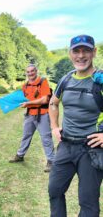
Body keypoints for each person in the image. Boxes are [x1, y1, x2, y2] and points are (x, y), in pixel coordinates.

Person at [48, 35, 103, 216]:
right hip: (66, 145)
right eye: (76, 51)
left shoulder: (101, 80)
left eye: (86, 50)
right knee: (55, 190)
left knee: (88, 202)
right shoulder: (65, 80)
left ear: (94, 52)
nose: (81, 55)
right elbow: (53, 103)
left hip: (91, 149)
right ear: (70, 54)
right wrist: (55, 127)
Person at [9, 64, 55, 173]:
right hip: (29, 114)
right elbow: (22, 99)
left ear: (36, 71)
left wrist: (28, 103)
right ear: (26, 73)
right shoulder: (25, 85)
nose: (30, 73)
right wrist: (8, 102)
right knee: (26, 136)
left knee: (46, 138)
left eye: (32, 71)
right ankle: (20, 156)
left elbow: (44, 100)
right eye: (28, 72)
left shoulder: (43, 81)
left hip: (42, 114)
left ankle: (51, 161)